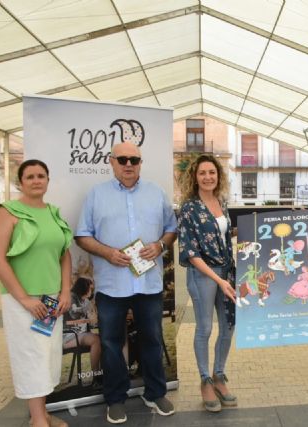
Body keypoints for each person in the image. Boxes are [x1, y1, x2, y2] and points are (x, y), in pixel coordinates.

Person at [75, 142, 177, 424]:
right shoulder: (96, 195)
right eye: (122, 159)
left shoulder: (157, 193)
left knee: (153, 340)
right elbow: (81, 235)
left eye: (134, 159)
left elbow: (171, 230)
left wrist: (159, 245)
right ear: (112, 161)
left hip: (148, 284)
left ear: (141, 162)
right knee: (110, 343)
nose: (128, 164)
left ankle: (155, 393)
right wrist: (107, 252)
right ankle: (115, 399)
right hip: (112, 285)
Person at [0, 159, 72, 427]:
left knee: (47, 356)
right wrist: (24, 299)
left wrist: (65, 292)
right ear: (21, 182)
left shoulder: (53, 213)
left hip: (51, 300)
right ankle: (38, 420)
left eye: (41, 176)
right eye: (30, 177)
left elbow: (64, 254)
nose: (36, 180)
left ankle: (44, 413)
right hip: (22, 301)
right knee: (29, 357)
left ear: (48, 180)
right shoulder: (8, 212)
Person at [177, 154, 237, 413]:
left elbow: (222, 235)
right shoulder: (189, 208)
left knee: (228, 327)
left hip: (227, 271)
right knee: (204, 328)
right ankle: (204, 380)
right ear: (195, 176)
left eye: (212, 172)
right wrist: (218, 280)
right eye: (202, 173)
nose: (208, 177)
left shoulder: (221, 202)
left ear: (218, 175)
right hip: (203, 274)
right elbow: (190, 252)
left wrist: (253, 225)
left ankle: (219, 376)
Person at [63, 277, 101, 385]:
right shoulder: (72, 296)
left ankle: (101, 374)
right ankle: (96, 375)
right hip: (68, 335)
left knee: (104, 338)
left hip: (81, 334)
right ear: (83, 287)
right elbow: (74, 313)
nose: (91, 291)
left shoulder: (86, 300)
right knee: (96, 340)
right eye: (90, 288)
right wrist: (88, 310)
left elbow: (92, 320)